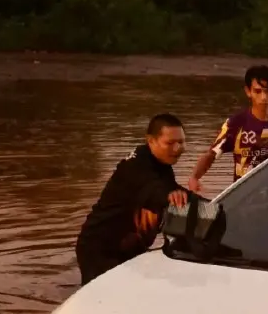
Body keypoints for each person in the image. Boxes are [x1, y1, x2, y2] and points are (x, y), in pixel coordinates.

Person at [74, 114, 191, 286]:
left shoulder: (162, 165)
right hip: (101, 250)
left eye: (181, 142)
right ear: (151, 141)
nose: (177, 148)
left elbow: (171, 191)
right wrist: (170, 196)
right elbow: (155, 191)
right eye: (170, 143)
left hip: (130, 249)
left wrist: (213, 206)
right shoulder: (135, 167)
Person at [187, 65, 268, 193]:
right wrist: (194, 178)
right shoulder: (236, 123)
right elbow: (211, 154)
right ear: (248, 91)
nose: (263, 97)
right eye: (258, 91)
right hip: (245, 195)